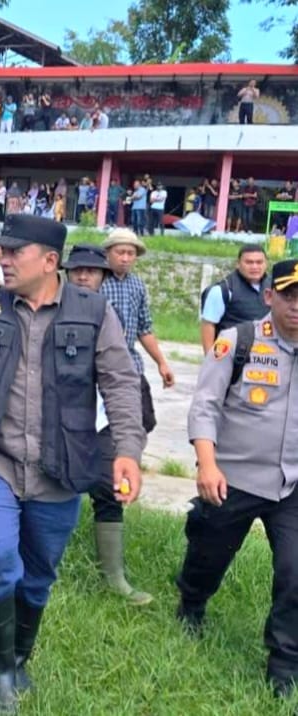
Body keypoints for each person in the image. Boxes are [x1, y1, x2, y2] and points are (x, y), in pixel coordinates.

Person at [0, 214, 145, 714]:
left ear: (49, 261)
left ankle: (20, 658)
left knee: (39, 573)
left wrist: (128, 450)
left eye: (12, 253)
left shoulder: (92, 312)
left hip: (60, 467)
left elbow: (120, 382)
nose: (1, 259)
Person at [177, 259, 298, 701]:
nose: (297, 306)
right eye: (289, 296)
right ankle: (191, 602)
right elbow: (205, 406)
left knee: (295, 573)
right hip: (234, 477)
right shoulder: (238, 341)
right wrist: (207, 465)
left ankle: (284, 665)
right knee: (208, 557)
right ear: (270, 297)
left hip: (292, 487)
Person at [65, 244, 152, 605]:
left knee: (109, 485)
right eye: (78, 270)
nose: (84, 276)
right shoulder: (53, 309)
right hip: (57, 418)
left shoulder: (107, 315)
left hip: (100, 418)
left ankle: (114, 576)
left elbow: (121, 376)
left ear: (102, 276)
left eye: (92, 271)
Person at [101, 229, 175, 434]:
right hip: (101, 365)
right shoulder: (97, 280)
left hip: (130, 364)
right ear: (108, 253)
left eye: (130, 254)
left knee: (144, 421)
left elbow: (144, 328)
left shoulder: (137, 285)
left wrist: (161, 363)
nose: (125, 258)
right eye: (120, 252)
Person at [199, 244, 270, 353]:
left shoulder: (275, 287)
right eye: (249, 262)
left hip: (266, 357)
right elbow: (208, 325)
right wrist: (210, 361)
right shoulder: (222, 290)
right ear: (238, 264)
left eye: (259, 262)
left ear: (266, 264)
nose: (255, 267)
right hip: (231, 357)